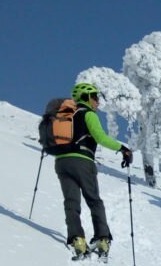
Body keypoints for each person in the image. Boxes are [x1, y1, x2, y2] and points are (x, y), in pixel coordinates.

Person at [55, 82, 133, 257]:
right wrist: (123, 149)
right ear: (86, 97)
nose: (97, 102)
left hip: (61, 162)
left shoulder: (64, 116)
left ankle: (77, 240)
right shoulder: (88, 114)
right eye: (95, 97)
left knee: (71, 201)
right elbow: (100, 137)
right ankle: (102, 238)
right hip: (82, 161)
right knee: (94, 200)